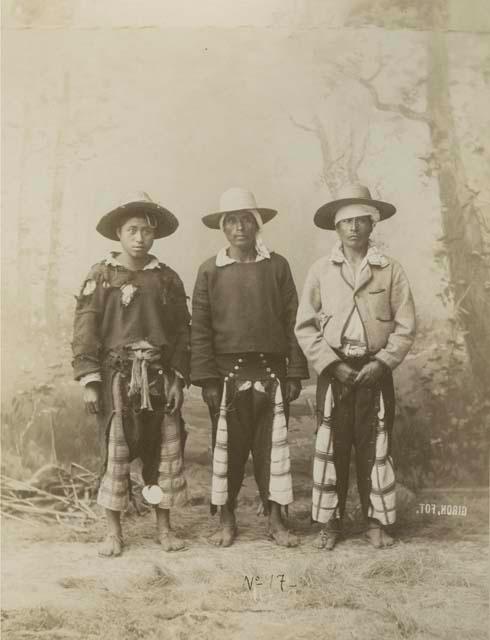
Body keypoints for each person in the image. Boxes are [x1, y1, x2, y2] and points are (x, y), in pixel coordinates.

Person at [295, 184, 416, 550]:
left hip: (375, 372)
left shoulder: (390, 270)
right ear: (336, 227)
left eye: (360, 220)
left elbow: (407, 326)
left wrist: (383, 362)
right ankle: (330, 522)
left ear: (371, 224)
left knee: (375, 444)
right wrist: (331, 365)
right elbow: (305, 327)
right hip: (336, 372)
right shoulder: (321, 270)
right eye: (346, 221)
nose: (353, 229)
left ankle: (376, 522)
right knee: (333, 444)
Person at [72, 192, 190, 556]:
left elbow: (182, 331)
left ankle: (164, 527)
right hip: (117, 380)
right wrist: (91, 380)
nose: (140, 238)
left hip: (158, 378)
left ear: (155, 235)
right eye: (132, 230)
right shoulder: (102, 275)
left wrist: (176, 377)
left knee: (163, 453)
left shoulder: (167, 278)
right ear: (119, 234)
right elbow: (85, 328)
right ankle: (113, 530)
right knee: (117, 454)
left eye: (146, 231)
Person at [191, 187, 309, 547]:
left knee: (272, 450)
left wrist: (293, 373)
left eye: (246, 220)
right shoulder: (210, 270)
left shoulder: (278, 265)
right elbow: (200, 327)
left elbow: (294, 319)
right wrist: (208, 379)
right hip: (227, 377)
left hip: (272, 374)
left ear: (257, 225)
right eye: (231, 221)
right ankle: (227, 521)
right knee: (228, 450)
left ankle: (276, 520)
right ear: (222, 228)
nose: (239, 228)